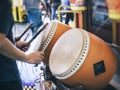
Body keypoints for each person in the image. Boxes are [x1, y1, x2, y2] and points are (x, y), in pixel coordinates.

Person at [0, 0, 44, 90]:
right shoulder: (3, 2)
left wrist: (13, 44)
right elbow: (0, 42)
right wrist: (27, 57)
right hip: (5, 76)